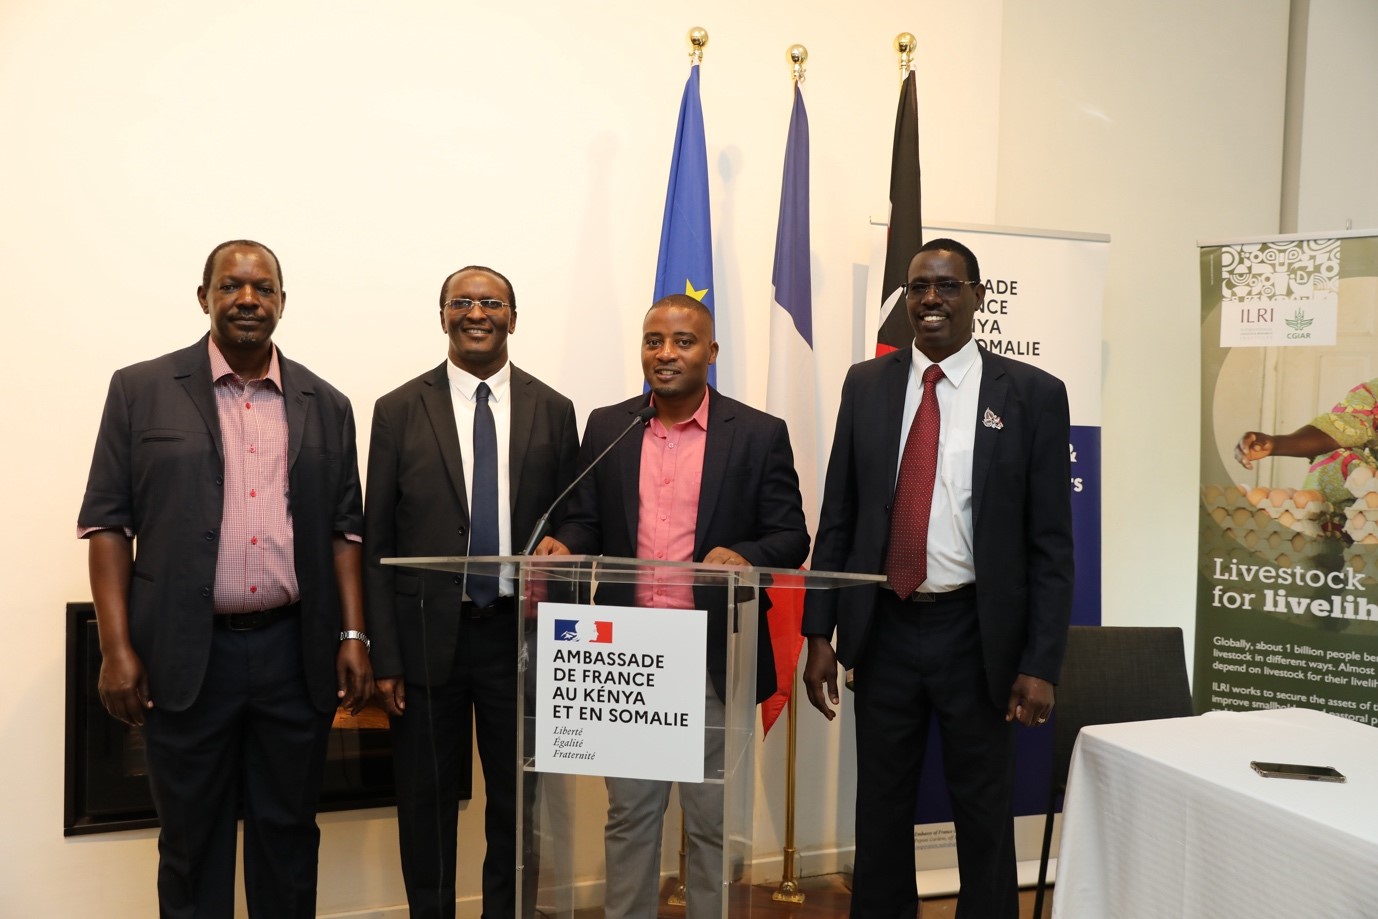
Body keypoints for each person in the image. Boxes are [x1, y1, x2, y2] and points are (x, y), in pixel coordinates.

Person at [77, 239, 374, 918]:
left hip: (291, 653)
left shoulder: (326, 402)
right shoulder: (140, 389)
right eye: (232, 285)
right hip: (183, 655)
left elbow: (344, 530)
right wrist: (117, 648)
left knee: (289, 835)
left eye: (263, 288)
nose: (247, 299)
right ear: (204, 295)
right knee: (190, 841)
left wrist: (353, 632)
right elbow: (105, 523)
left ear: (281, 303)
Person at [802, 238, 1074, 918]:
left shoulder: (1034, 394)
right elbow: (838, 514)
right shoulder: (866, 384)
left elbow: (1050, 545)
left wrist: (1041, 661)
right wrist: (819, 632)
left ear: (978, 297)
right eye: (920, 286)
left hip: (977, 634)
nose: (931, 299)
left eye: (948, 286)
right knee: (881, 812)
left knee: (984, 816)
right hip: (884, 627)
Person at [538, 294, 809, 919]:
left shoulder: (759, 434)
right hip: (627, 655)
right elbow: (585, 517)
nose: (666, 353)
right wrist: (567, 542)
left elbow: (791, 534)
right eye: (653, 340)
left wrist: (743, 552)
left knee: (710, 820)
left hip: (712, 653)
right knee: (631, 815)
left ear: (710, 353)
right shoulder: (609, 427)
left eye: (683, 342)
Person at [364, 265, 579, 919]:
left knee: (518, 805)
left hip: (521, 637)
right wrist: (385, 655)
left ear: (513, 317)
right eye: (462, 301)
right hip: (428, 639)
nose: (476, 311)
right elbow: (377, 540)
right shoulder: (398, 409)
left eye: (492, 301)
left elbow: (573, 521)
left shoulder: (554, 407)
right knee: (425, 802)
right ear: (442, 315)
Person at [1235, 379, 1378, 506]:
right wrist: (1276, 444)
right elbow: (1342, 427)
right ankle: (1328, 523)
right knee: (1339, 456)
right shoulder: (1373, 392)